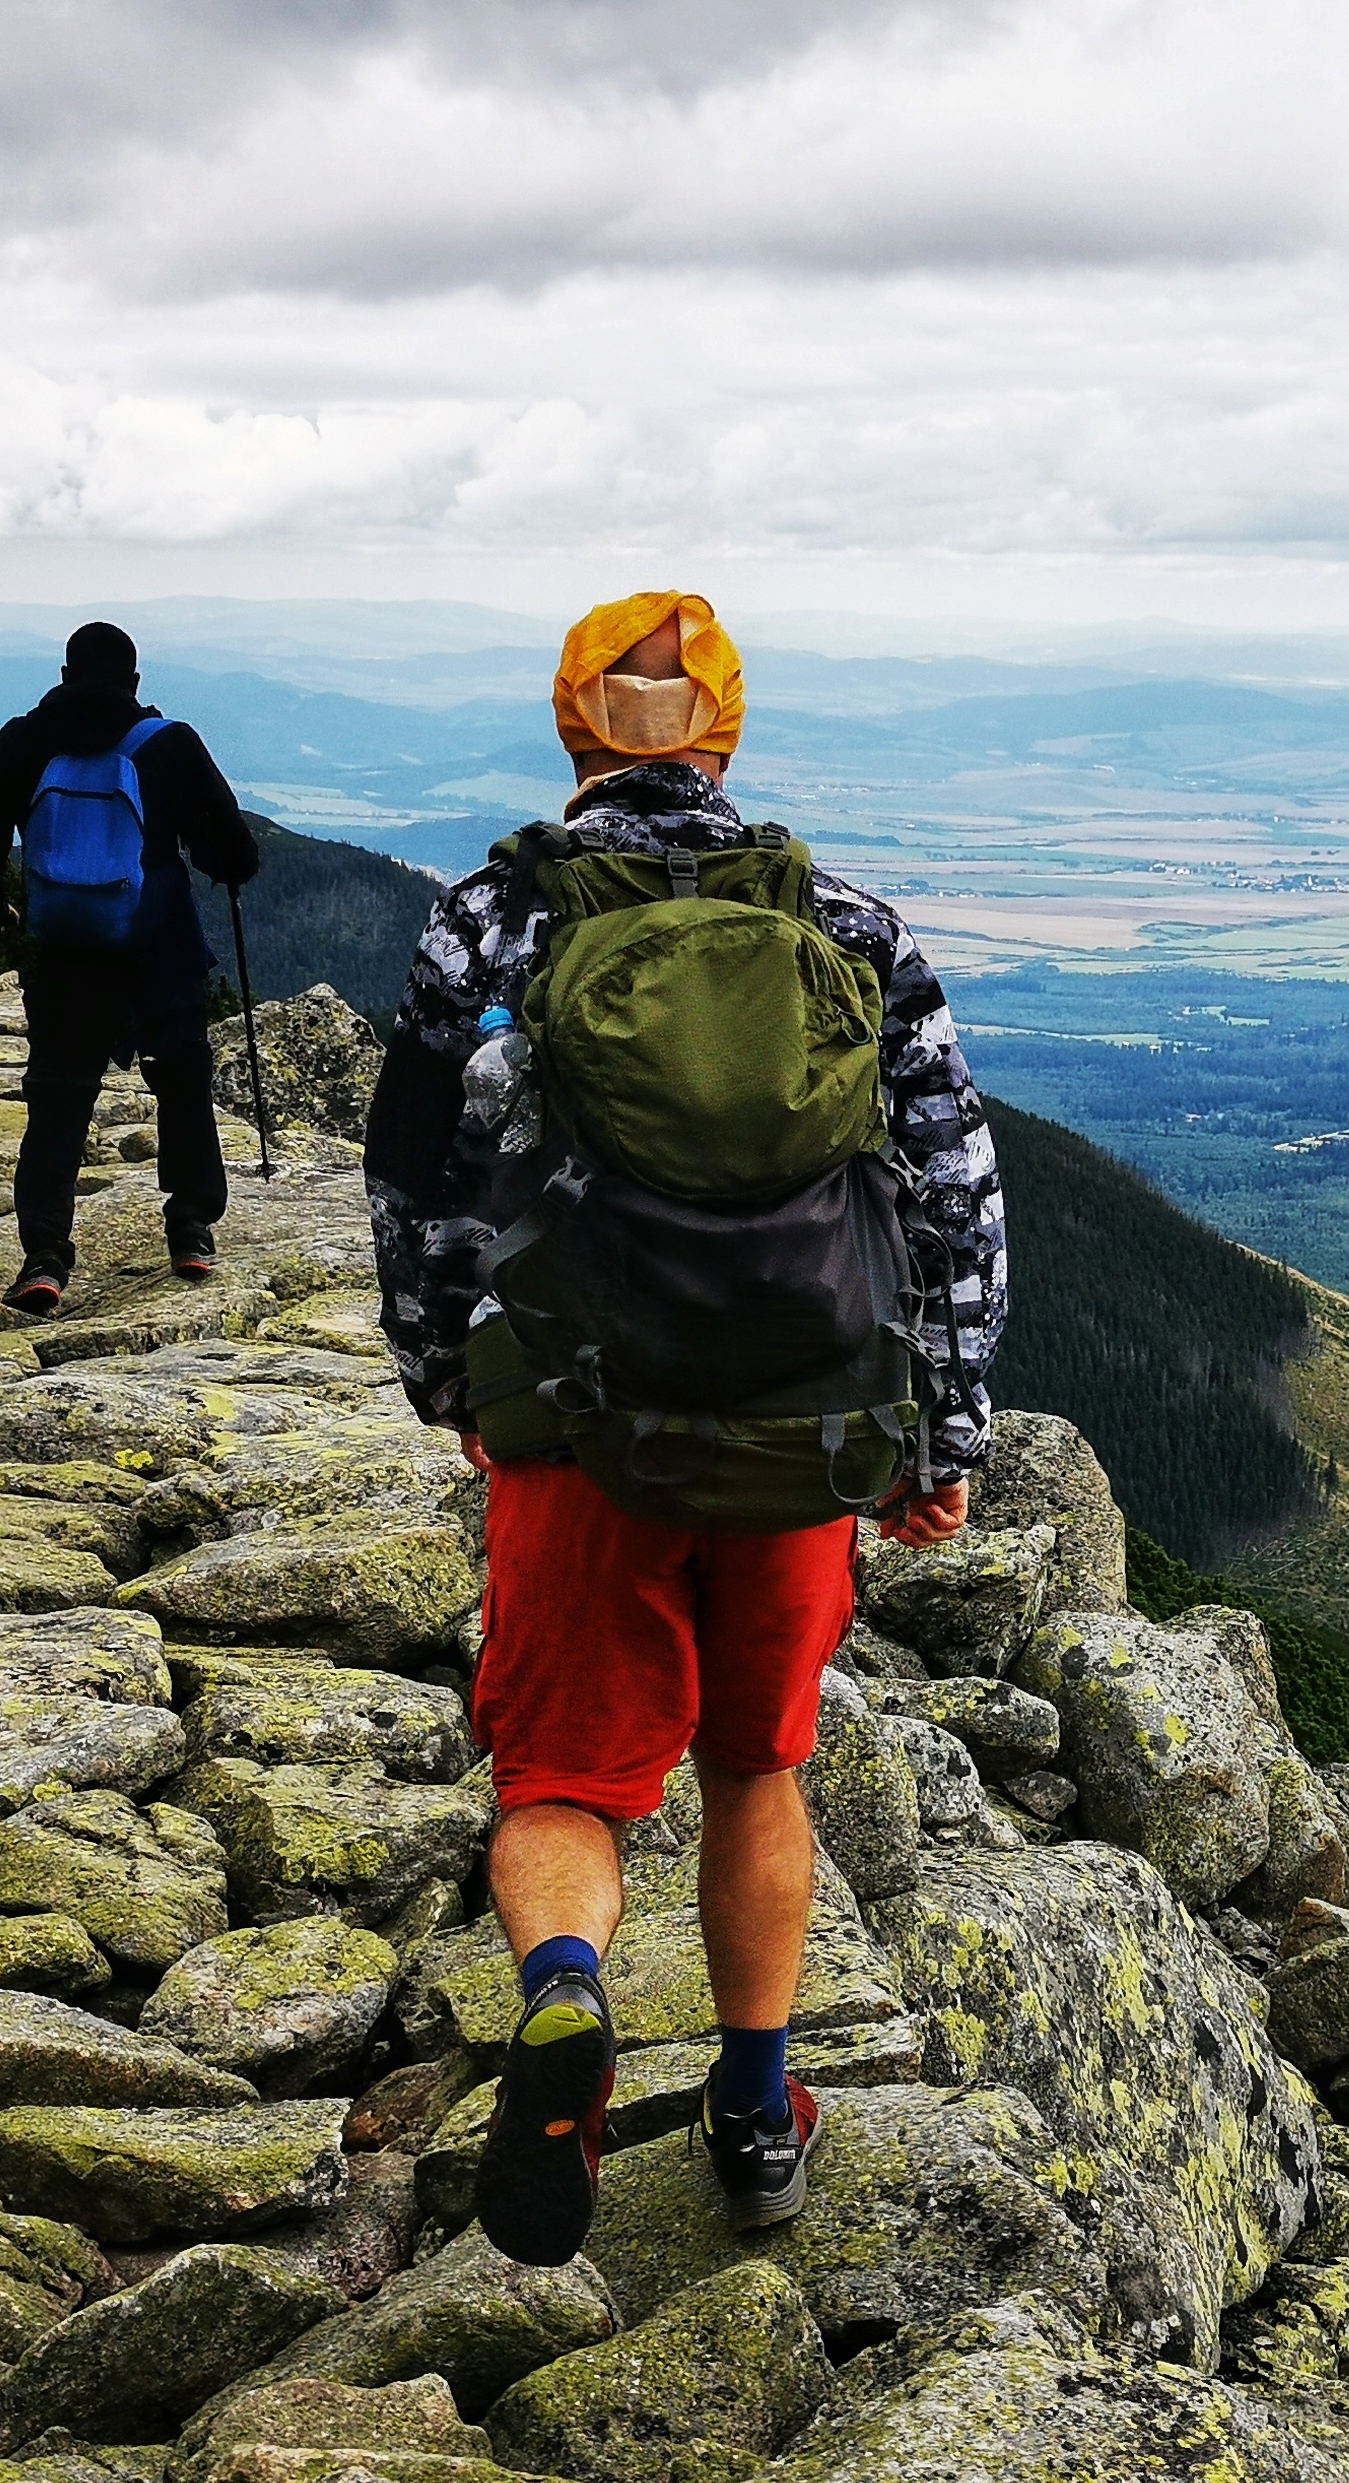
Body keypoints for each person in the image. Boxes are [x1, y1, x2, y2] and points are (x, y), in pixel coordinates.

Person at [364, 591, 1005, 2265]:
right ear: (725, 726)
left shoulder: (490, 923)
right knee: (755, 1765)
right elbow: (952, 1189)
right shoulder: (846, 925)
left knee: (563, 1779)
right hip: (798, 1427)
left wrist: (451, 1382)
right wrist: (940, 1433)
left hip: (578, 1426)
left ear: (570, 720)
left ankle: (568, 1993)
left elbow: (415, 1184)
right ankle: (756, 2107)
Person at [0, 622, 259, 1315]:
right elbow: (235, 854)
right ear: (134, 682)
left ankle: (45, 1254)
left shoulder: (24, 740)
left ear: (64, 676)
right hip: (160, 947)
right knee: (182, 1079)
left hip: (63, 954)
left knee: (58, 1097)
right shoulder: (169, 744)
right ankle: (190, 1226)